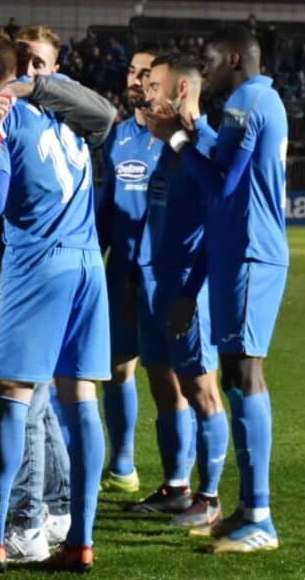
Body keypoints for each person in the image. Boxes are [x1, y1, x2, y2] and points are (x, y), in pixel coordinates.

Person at [0, 24, 117, 564]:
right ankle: (80, 541)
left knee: (10, 403)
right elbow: (103, 115)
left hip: (38, 265)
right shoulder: (69, 118)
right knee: (81, 404)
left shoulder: (2, 118)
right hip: (88, 267)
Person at [144, 25, 289, 553]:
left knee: (245, 372)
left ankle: (260, 517)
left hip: (250, 252)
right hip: (239, 252)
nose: (203, 66)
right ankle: (249, 510)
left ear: (233, 57)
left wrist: (178, 139)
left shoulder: (249, 101)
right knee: (235, 372)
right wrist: (189, 133)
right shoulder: (257, 100)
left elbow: (223, 184)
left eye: (208, 57)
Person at [126, 54, 228, 530]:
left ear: (182, 91)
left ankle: (209, 498)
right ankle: (176, 487)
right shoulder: (164, 147)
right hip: (154, 282)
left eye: (156, 86)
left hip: (189, 287)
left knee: (202, 390)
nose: (147, 93)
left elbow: (218, 229)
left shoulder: (202, 148)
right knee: (165, 388)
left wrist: (191, 292)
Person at [96, 46, 160, 495]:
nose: (136, 81)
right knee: (119, 370)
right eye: (132, 72)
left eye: (146, 74)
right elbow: (103, 214)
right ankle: (122, 466)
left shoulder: (182, 140)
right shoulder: (115, 139)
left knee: (178, 380)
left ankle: (188, 483)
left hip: (168, 277)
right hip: (120, 274)